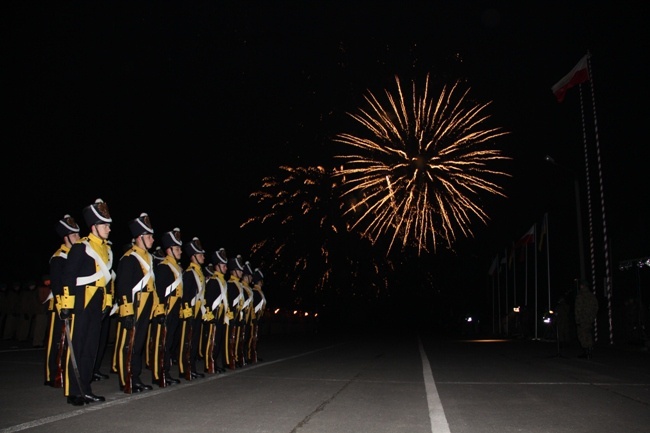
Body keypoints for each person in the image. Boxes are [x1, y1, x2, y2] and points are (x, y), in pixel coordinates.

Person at [60, 198, 114, 406]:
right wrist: (66, 305)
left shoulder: (107, 249)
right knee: (78, 346)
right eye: (105, 225)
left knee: (91, 348)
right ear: (94, 227)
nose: (108, 229)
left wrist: (108, 301)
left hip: (97, 303)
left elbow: (107, 279)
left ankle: (86, 388)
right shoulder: (81, 247)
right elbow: (68, 277)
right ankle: (73, 391)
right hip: (81, 302)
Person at [114, 213, 157, 393]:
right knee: (128, 343)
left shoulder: (148, 258)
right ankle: (127, 379)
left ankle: (135, 376)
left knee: (138, 343)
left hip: (146, 305)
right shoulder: (129, 258)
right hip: (134, 305)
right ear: (140, 238)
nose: (153, 240)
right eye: (149, 237)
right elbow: (123, 287)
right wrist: (127, 311)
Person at [44, 215, 81, 388]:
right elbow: (58, 285)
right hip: (60, 304)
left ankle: (65, 372)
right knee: (56, 341)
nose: (78, 238)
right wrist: (63, 305)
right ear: (66, 237)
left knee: (68, 342)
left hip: (73, 303)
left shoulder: (75, 255)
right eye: (74, 235)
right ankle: (52, 374)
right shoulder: (59, 257)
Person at [151, 228, 183, 387]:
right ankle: (158, 374)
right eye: (177, 248)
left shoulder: (176, 268)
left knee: (169, 342)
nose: (180, 251)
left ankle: (166, 371)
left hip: (174, 310)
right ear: (169, 250)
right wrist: (160, 311)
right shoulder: (164, 267)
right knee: (162, 343)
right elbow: (159, 292)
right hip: (166, 310)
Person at [179, 237, 206, 380]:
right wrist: (187, 312)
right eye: (201, 254)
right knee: (187, 341)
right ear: (194, 256)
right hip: (189, 312)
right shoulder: (190, 273)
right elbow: (186, 295)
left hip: (197, 312)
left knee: (194, 341)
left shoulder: (199, 273)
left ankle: (192, 367)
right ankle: (185, 369)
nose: (203, 257)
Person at [203, 248, 229, 374]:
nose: (225, 268)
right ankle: (209, 364)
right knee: (211, 341)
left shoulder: (222, 281)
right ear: (217, 266)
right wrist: (209, 315)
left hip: (220, 315)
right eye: (223, 265)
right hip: (214, 315)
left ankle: (214, 362)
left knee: (217, 340)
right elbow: (208, 300)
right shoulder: (213, 281)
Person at [225, 255, 245, 369]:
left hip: (238, 315)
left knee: (236, 338)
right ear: (234, 272)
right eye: (239, 270)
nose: (241, 273)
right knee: (230, 339)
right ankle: (228, 360)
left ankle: (235, 357)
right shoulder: (231, 285)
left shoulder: (239, 285)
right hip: (231, 315)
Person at [574, 280, 599, 359]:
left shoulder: (581, 296)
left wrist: (578, 319)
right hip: (589, 319)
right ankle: (589, 350)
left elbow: (578, 309)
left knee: (583, 335)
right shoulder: (591, 296)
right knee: (588, 334)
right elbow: (596, 307)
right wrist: (592, 316)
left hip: (582, 319)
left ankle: (586, 351)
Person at [248, 267, 267, 364]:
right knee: (251, 337)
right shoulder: (255, 292)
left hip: (259, 318)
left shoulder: (259, 291)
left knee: (256, 337)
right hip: (254, 318)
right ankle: (249, 355)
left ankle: (254, 353)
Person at [240, 261, 255, 366]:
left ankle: (244, 356)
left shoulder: (249, 289)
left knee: (245, 339)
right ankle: (240, 357)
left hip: (248, 318)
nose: (251, 279)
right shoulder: (242, 287)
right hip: (243, 317)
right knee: (240, 339)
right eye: (250, 276)